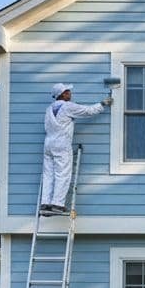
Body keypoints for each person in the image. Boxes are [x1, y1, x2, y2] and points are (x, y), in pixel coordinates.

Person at [40, 83, 111, 215]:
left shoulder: (49, 109)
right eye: (68, 91)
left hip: (48, 144)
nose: (70, 93)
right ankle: (57, 204)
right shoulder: (68, 107)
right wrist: (102, 104)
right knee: (62, 174)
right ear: (63, 94)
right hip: (61, 144)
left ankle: (45, 203)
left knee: (49, 174)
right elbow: (87, 111)